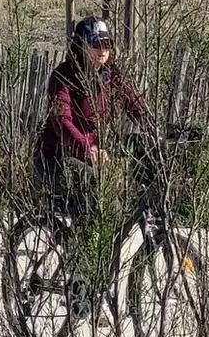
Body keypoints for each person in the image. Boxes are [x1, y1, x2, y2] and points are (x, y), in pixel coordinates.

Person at [34, 15, 149, 220]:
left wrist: (157, 131)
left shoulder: (113, 76)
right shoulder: (63, 77)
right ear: (81, 46)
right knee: (98, 196)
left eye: (107, 44)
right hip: (57, 157)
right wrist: (87, 148)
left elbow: (137, 106)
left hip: (91, 159)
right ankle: (83, 241)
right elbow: (62, 121)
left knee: (111, 209)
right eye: (96, 44)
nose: (102, 50)